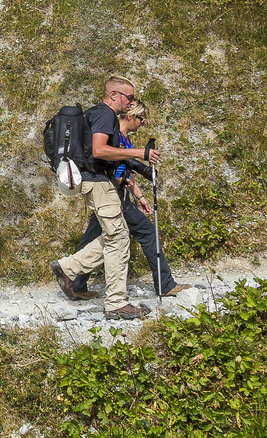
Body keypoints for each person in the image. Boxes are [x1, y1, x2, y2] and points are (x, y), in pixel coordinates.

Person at [50, 77, 156, 321]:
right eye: (129, 97)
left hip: (97, 181)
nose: (131, 103)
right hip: (97, 182)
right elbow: (99, 150)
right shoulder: (105, 115)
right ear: (115, 95)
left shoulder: (96, 114)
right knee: (118, 238)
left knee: (113, 235)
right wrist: (140, 153)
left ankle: (68, 268)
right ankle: (116, 303)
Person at [67, 98, 191, 300]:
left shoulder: (123, 139)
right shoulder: (114, 136)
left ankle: (75, 283)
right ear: (131, 116)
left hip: (116, 194)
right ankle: (165, 284)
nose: (142, 124)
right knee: (147, 231)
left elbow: (125, 170)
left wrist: (139, 196)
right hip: (110, 194)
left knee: (94, 236)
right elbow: (108, 165)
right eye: (141, 119)